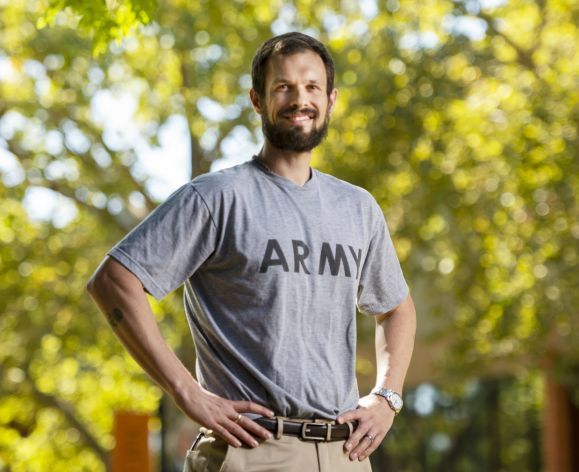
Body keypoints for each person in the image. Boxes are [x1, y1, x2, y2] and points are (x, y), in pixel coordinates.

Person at [87, 32, 416, 472]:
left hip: (344, 455)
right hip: (250, 453)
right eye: (283, 87)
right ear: (258, 100)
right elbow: (114, 281)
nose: (300, 99)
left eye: (312, 87)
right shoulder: (217, 197)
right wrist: (187, 392)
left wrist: (386, 397)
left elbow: (396, 308)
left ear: (331, 99)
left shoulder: (357, 208)